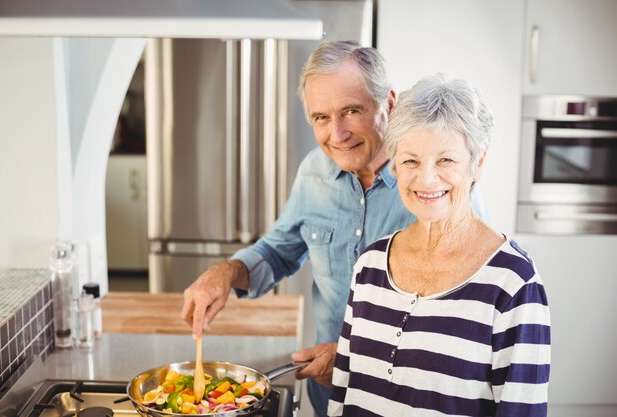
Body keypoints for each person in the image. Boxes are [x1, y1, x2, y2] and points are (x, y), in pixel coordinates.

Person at [180, 42, 487, 416]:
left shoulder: (431, 188)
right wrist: (226, 273)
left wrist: (351, 355)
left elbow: (461, 320)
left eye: (351, 111)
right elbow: (279, 250)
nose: (337, 133)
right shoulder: (313, 173)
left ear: (388, 104)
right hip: (330, 396)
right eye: (320, 118)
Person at [327, 74, 551, 417]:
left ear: (478, 163)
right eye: (411, 161)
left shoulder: (513, 282)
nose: (427, 179)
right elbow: (342, 395)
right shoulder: (370, 265)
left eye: (446, 160)